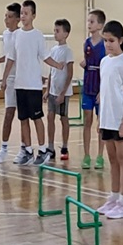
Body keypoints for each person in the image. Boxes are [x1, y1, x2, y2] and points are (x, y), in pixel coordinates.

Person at [1, 0, 64, 167]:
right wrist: (5, 78)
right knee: (23, 119)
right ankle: (28, 151)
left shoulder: (37, 35)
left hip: (33, 85)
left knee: (36, 118)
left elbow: (45, 56)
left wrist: (57, 65)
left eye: (26, 13)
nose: (23, 16)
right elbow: (11, 58)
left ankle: (43, 150)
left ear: (33, 16)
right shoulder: (16, 35)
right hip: (19, 84)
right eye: (21, 13)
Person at [94, 21, 123, 219]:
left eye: (111, 40)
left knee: (122, 158)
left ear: (120, 40)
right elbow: (104, 92)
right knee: (112, 159)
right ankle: (114, 196)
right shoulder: (104, 61)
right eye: (105, 40)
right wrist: (100, 119)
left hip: (120, 119)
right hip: (107, 119)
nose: (108, 44)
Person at [0, 3, 22, 164]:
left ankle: (25, 148)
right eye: (5, 16)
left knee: (24, 116)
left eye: (10, 17)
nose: (6, 19)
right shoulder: (5, 34)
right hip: (10, 78)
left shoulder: (21, 34)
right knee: (8, 113)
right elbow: (9, 55)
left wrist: (3, 79)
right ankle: (4, 148)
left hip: (20, 77)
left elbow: (15, 57)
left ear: (18, 19)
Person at [80, 10, 107, 169]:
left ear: (100, 25)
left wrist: (102, 91)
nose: (89, 24)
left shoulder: (105, 44)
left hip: (99, 86)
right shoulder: (87, 43)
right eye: (88, 21)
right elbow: (87, 60)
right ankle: (86, 155)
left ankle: (100, 155)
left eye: (92, 21)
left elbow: (106, 69)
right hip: (88, 86)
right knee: (87, 120)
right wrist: (84, 63)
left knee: (100, 122)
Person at [46, 19, 74, 161]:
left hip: (63, 93)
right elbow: (52, 72)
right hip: (52, 91)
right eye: (54, 30)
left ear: (66, 34)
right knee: (50, 117)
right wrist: (47, 90)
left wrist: (63, 93)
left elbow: (69, 74)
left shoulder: (68, 52)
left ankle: (64, 146)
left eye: (58, 31)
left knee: (63, 118)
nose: (55, 33)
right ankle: (50, 147)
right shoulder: (53, 50)